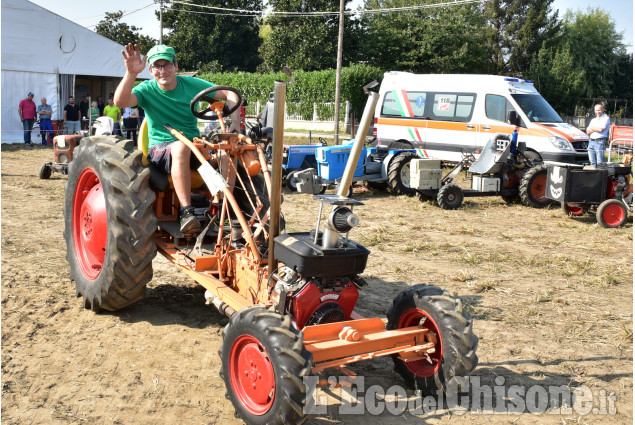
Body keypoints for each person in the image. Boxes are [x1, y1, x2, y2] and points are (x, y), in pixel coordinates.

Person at [114, 43, 240, 234]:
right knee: (181, 147)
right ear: (150, 70)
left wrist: (235, 124)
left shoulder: (191, 85)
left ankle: (223, 210)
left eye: (167, 65)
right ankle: (186, 212)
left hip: (194, 146)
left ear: (176, 66)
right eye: (157, 66)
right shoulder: (147, 89)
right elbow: (121, 102)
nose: (162, 71)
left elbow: (231, 93)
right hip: (161, 149)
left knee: (227, 153)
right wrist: (131, 74)